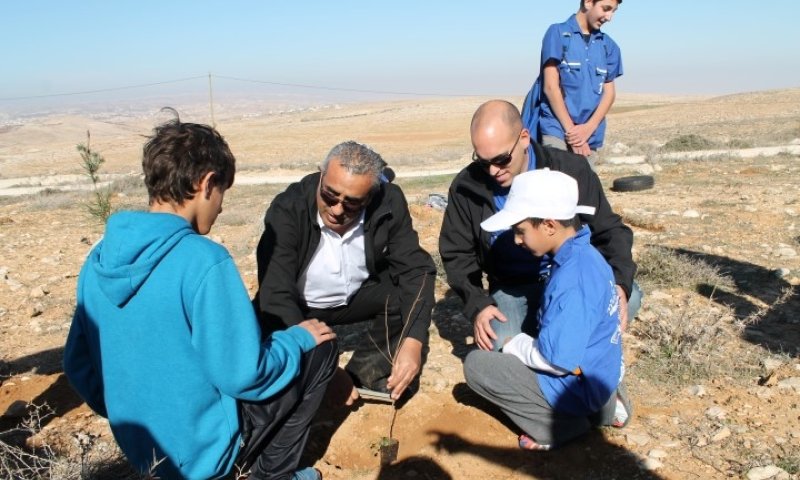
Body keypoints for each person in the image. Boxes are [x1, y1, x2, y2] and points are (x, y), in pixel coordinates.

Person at [64, 116, 336, 480]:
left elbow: (78, 365)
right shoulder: (202, 260)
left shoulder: (98, 259)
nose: (221, 207)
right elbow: (244, 376)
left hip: (146, 454)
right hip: (207, 457)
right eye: (223, 192)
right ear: (206, 183)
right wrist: (298, 338)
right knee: (318, 348)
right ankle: (271, 475)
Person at [439, 99, 640, 353]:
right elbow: (457, 254)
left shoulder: (570, 170)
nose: (492, 171)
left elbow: (609, 231)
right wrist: (478, 305)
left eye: (501, 159)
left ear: (523, 138)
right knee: (496, 339)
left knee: (628, 300)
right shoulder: (467, 187)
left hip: (571, 278)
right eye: (482, 161)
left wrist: (620, 283)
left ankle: (565, 347)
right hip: (513, 288)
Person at [254, 141, 436, 404]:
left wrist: (413, 340)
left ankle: (363, 378)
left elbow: (416, 271)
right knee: (266, 332)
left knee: (402, 296)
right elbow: (276, 293)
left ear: (371, 197)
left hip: (354, 298)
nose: (337, 210)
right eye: (329, 195)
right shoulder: (288, 209)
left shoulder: (389, 202)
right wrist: (324, 371)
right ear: (321, 174)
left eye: (352, 204)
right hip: (301, 307)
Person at [463, 168, 628, 450]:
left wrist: (515, 345)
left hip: (577, 388)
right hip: (601, 377)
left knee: (478, 365)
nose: (516, 239)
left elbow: (558, 361)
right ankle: (608, 407)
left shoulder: (572, 280)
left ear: (549, 225)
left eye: (520, 231)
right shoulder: (587, 256)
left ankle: (561, 427)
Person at [524, 0, 623, 167]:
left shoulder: (609, 47)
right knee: (559, 184)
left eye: (613, 11)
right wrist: (573, 133)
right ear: (589, 2)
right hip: (556, 129)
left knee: (585, 188)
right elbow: (550, 87)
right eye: (606, 9)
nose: (609, 17)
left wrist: (588, 129)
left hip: (589, 136)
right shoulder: (557, 33)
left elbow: (610, 93)